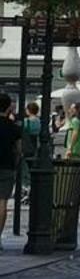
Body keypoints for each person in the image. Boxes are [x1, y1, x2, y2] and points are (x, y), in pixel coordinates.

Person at [0, 94, 19, 233]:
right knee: (2, 202)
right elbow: (19, 150)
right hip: (7, 166)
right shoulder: (13, 127)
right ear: (8, 108)